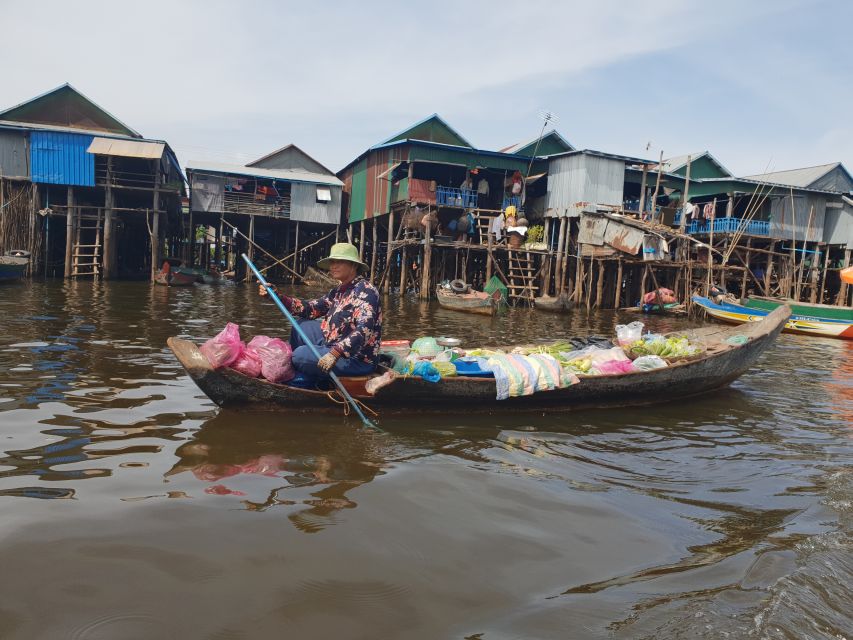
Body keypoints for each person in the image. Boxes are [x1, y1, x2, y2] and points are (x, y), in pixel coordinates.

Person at [259, 243, 381, 379]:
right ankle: (307, 371)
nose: (333, 266)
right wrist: (278, 297)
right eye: (332, 262)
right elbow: (310, 309)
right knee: (300, 325)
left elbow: (364, 329)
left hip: (355, 359)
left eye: (339, 262)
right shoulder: (338, 291)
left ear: (354, 265)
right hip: (332, 344)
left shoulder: (366, 291)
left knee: (299, 355)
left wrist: (335, 353)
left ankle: (304, 368)